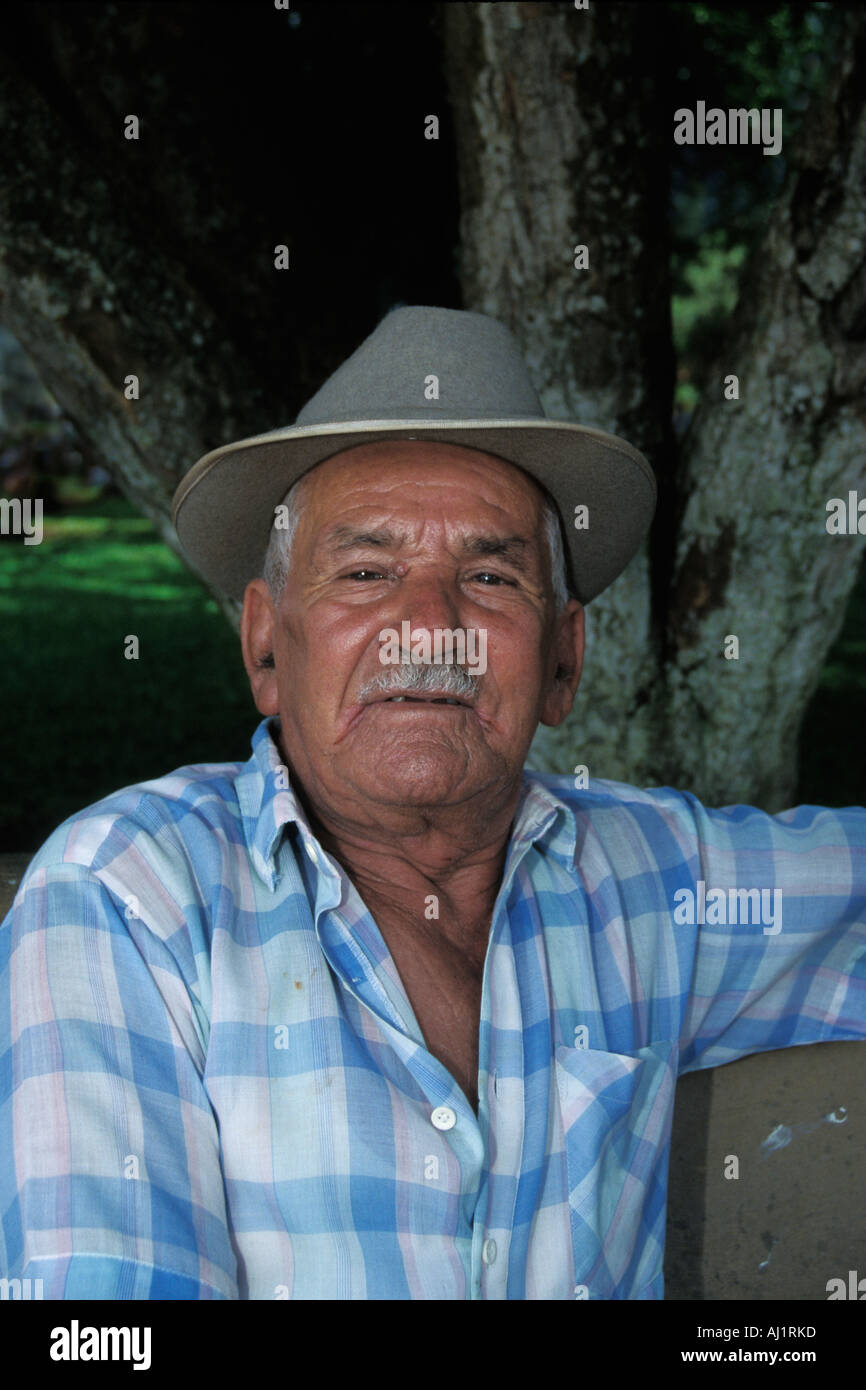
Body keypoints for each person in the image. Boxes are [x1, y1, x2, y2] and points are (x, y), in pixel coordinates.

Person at [1, 306, 863, 1300]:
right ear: (266, 646)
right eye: (365, 572)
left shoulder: (653, 877)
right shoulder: (128, 897)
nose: (427, 627)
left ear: (563, 662)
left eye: (489, 577)